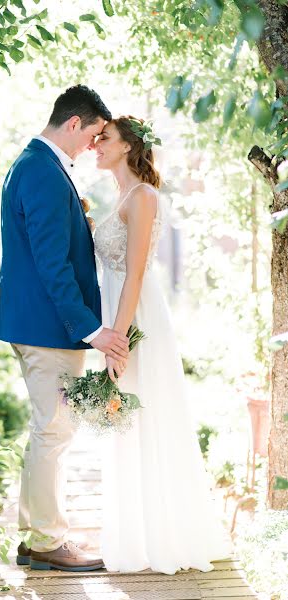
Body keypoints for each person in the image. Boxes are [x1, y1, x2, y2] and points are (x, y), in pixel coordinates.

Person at [0, 86, 130, 572]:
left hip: (36, 322)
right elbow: (53, 265)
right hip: (48, 327)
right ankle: (48, 540)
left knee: (47, 430)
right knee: (54, 431)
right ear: (74, 123)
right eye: (92, 134)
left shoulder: (32, 164)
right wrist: (91, 330)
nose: (92, 145)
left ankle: (35, 536)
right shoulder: (43, 172)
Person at [94, 116, 232, 574]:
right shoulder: (120, 197)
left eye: (105, 138)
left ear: (128, 146)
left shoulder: (144, 197)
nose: (96, 144)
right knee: (127, 422)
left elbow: (133, 273)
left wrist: (118, 338)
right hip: (118, 310)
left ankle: (163, 536)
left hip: (135, 317)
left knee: (143, 413)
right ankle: (135, 533)